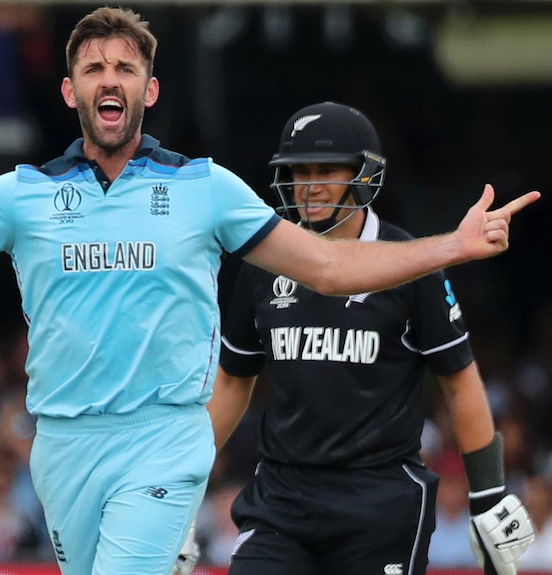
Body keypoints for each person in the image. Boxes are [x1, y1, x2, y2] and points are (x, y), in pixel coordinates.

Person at [0, 7, 538, 574]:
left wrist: (452, 247)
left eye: (126, 66)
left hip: (163, 440)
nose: (110, 77)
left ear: (148, 89)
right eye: (92, 66)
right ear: (71, 90)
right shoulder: (22, 194)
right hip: (63, 449)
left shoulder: (207, 188)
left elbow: (327, 267)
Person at [209, 101, 536, 575]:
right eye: (299, 171)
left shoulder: (411, 263)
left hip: (380, 501)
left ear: (363, 175)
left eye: (326, 170)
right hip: (282, 499)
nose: (310, 185)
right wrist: (180, 486)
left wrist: (488, 495)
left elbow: (460, 380)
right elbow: (233, 381)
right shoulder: (263, 267)